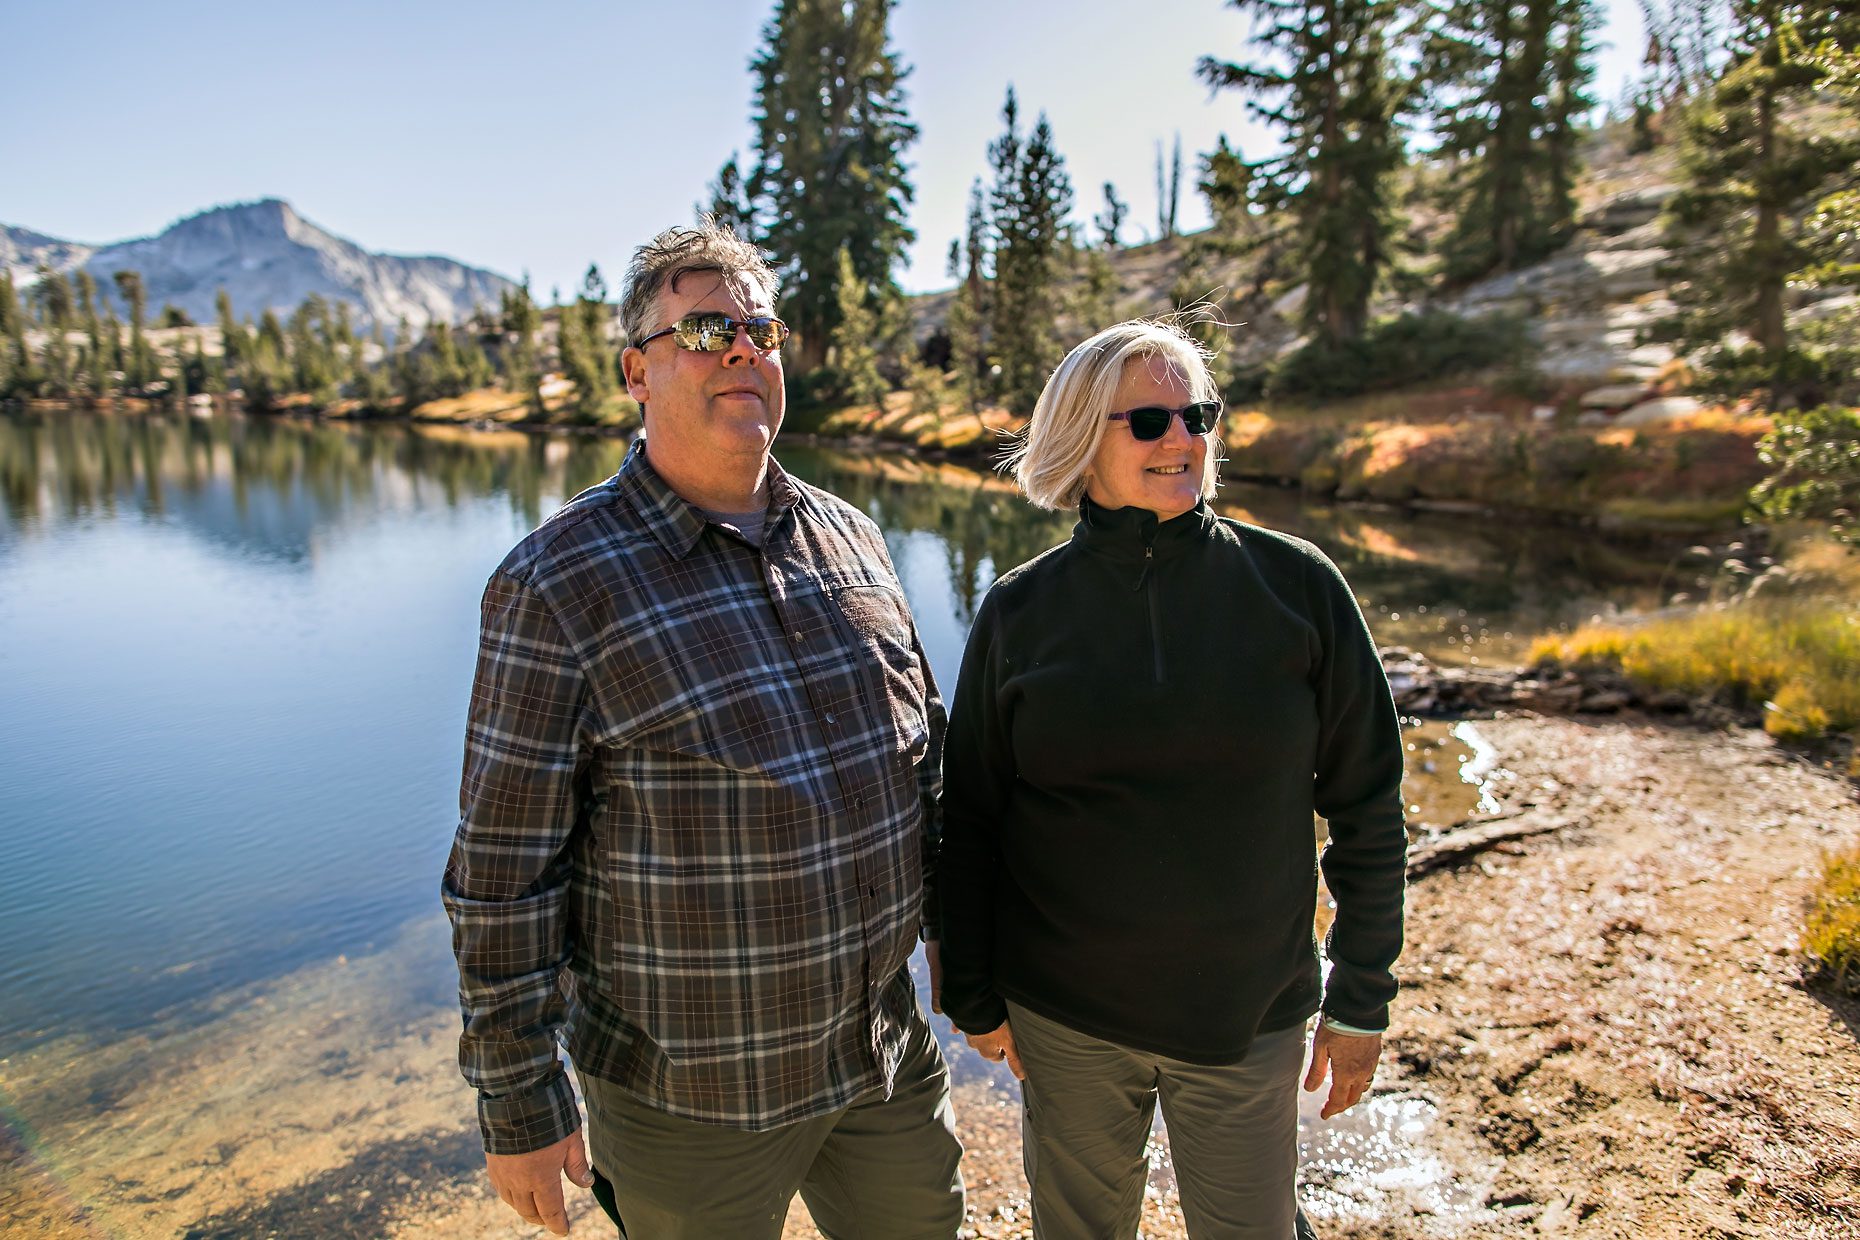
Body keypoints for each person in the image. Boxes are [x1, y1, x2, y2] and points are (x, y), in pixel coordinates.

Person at [442, 221, 964, 1239]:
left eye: (758, 327)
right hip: (691, 1104)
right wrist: (520, 1102)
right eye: (705, 327)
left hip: (883, 1059)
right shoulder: (556, 583)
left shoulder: (854, 539)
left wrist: (960, 940)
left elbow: (926, 770)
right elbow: (504, 873)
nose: (741, 348)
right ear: (637, 372)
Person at [937, 318, 1406, 1238]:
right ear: (1079, 436)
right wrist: (972, 988)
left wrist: (1362, 994)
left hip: (1248, 1017)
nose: (1184, 439)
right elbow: (976, 818)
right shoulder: (1019, 612)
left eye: (1200, 414)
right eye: (1149, 422)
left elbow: (1368, 806)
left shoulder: (1297, 588)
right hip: (1066, 1022)